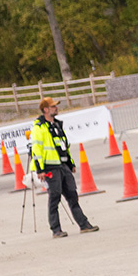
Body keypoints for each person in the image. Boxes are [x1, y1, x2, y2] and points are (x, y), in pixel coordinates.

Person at [28, 97, 98, 239]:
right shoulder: (39, 128)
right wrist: (40, 169)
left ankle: (84, 225)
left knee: (72, 195)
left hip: (63, 166)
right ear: (46, 109)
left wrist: (70, 163)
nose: (56, 108)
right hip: (50, 168)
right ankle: (56, 229)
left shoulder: (57, 125)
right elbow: (36, 150)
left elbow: (64, 146)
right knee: (54, 197)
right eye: (53, 106)